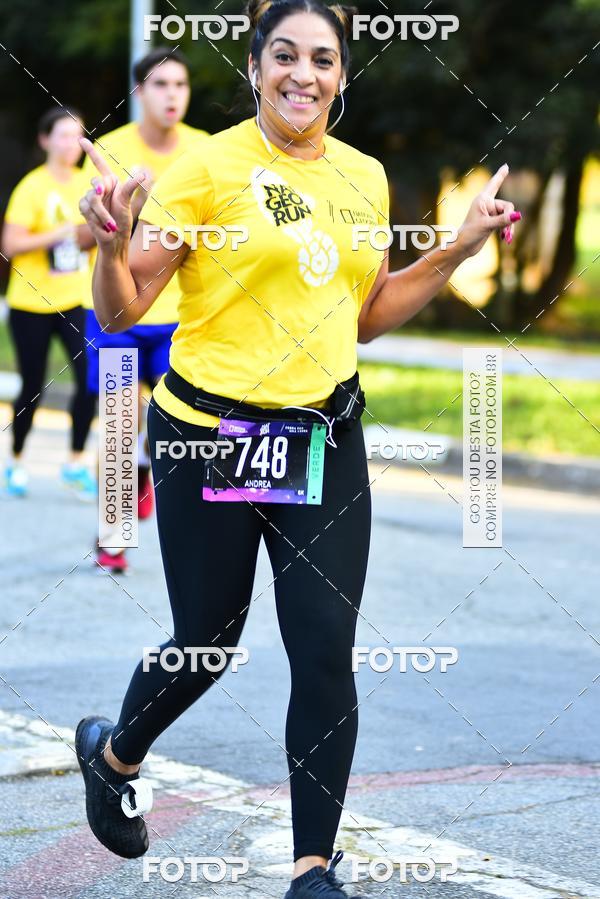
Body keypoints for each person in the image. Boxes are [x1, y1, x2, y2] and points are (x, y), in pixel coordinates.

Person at [74, 1, 522, 895]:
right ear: (254, 67)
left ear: (342, 75)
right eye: (284, 55)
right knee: (208, 641)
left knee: (323, 649)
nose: (302, 75)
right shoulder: (208, 169)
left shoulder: (364, 176)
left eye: (322, 59)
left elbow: (368, 314)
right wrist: (111, 246)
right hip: (209, 436)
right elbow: (122, 312)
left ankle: (312, 867)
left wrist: (459, 247)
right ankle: (115, 753)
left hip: (322, 438)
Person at [82, 47, 209, 573]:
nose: (172, 95)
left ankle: (143, 473)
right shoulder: (110, 150)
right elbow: (87, 228)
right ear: (139, 93)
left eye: (180, 85)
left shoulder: (206, 152)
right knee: (118, 422)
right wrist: (124, 208)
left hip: (183, 316)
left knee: (181, 429)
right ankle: (113, 535)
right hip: (118, 315)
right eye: (160, 84)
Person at [1, 108, 96, 499]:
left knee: (89, 381)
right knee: (33, 386)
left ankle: (74, 463)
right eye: (63, 135)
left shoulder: (89, 183)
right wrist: (58, 234)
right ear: (45, 140)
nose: (72, 144)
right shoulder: (32, 187)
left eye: (78, 136)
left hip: (78, 300)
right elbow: (11, 244)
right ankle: (16, 460)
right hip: (31, 304)